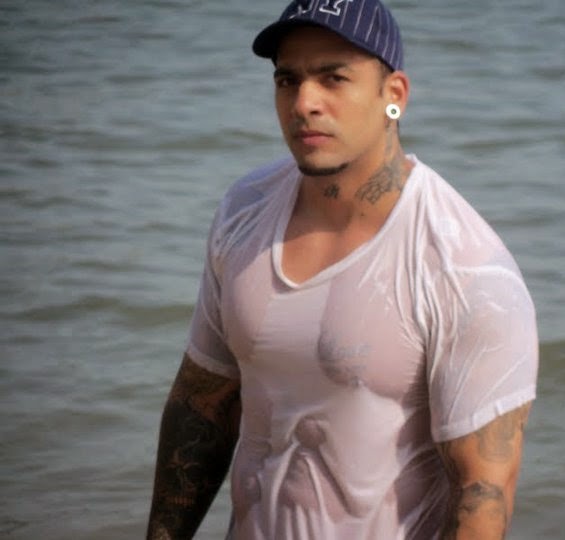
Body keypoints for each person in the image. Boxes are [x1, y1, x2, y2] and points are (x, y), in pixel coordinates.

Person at [146, 0, 539, 538]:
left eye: (333, 78)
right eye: (288, 80)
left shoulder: (464, 266)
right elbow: (201, 405)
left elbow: (483, 492)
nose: (304, 103)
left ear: (393, 95)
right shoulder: (245, 211)